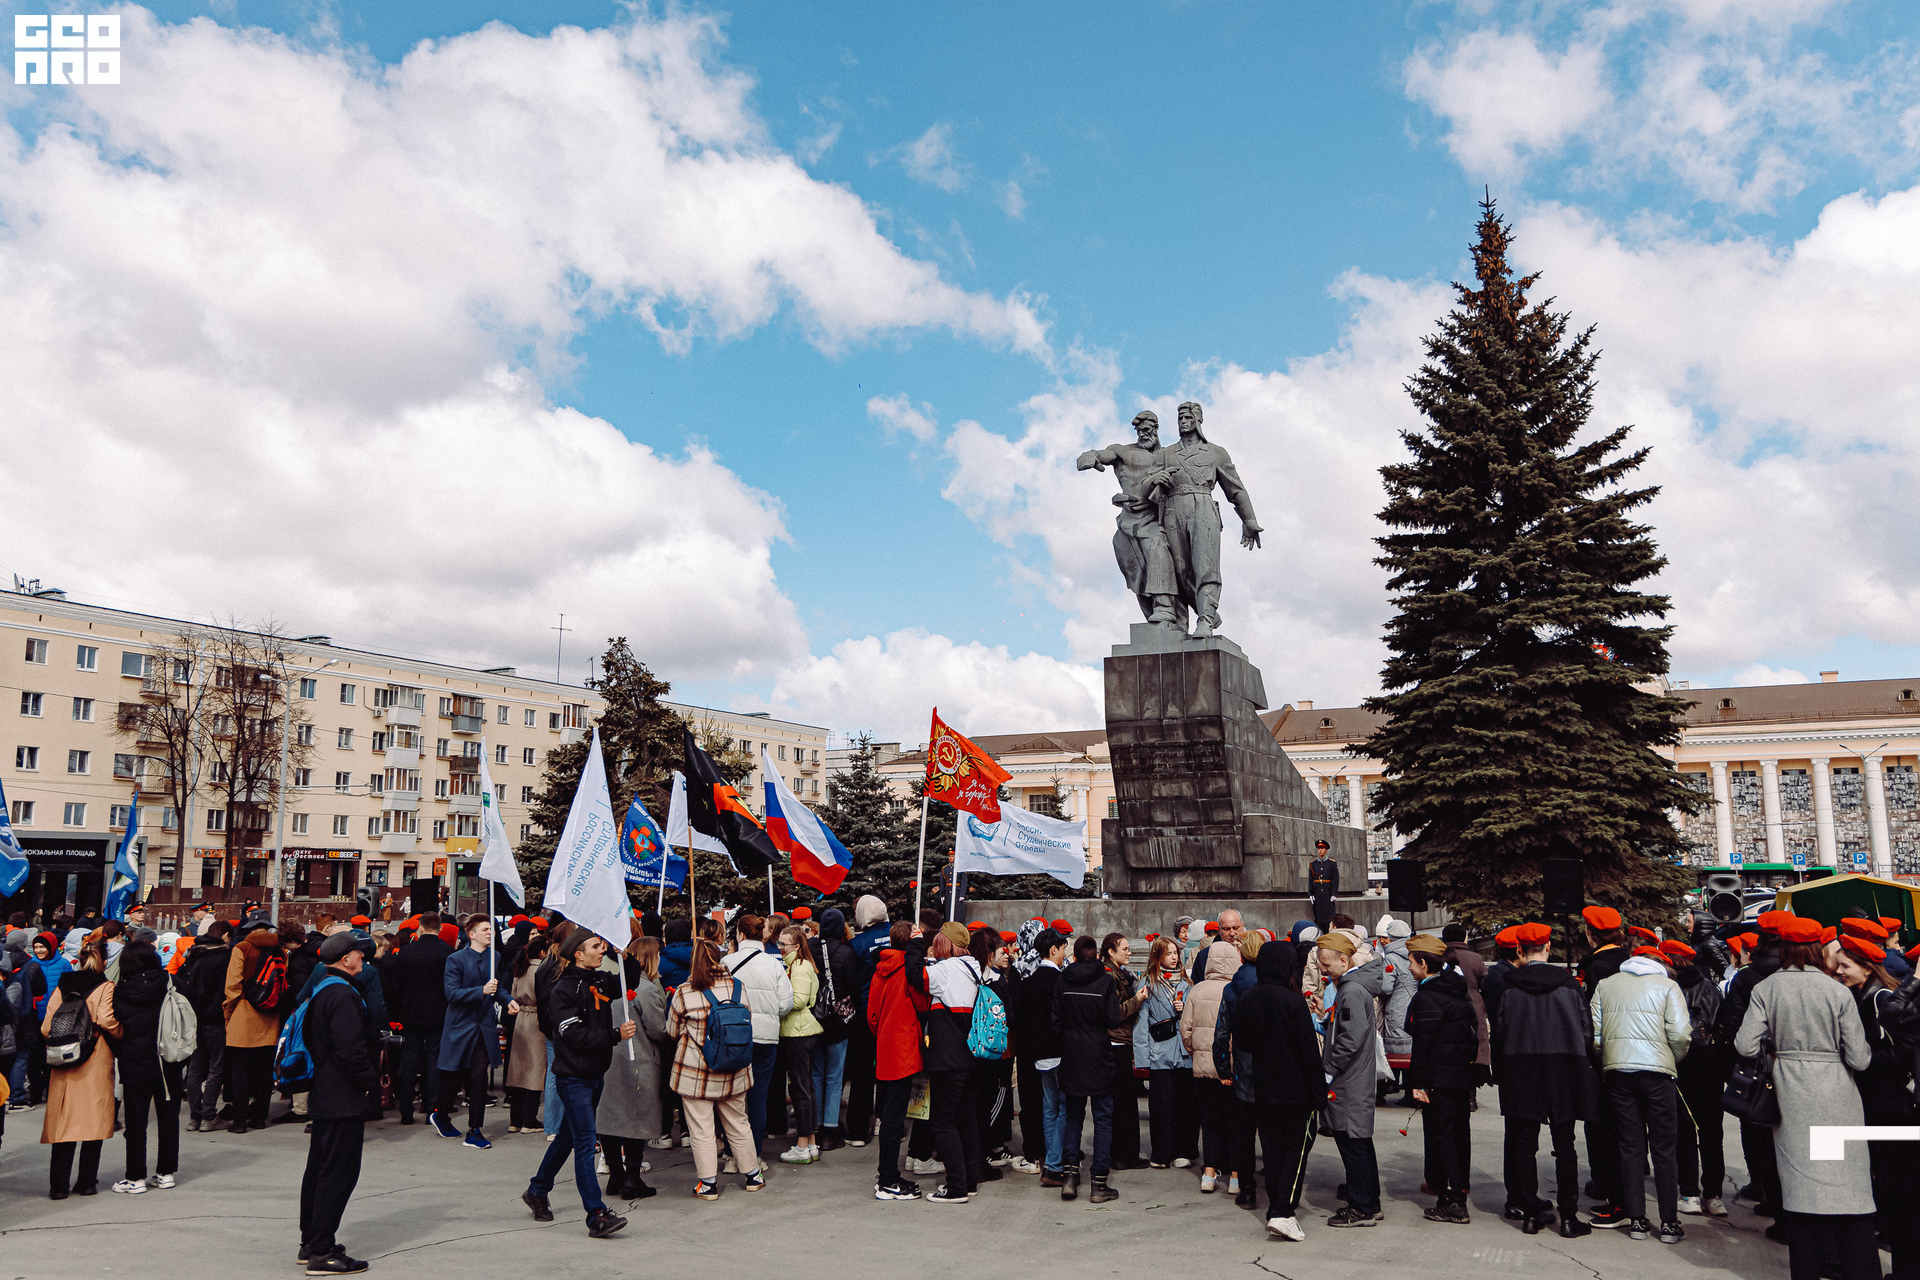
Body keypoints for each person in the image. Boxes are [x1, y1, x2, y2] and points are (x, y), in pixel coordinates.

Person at [1736, 916, 1875, 1280]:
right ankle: (1854, 1267)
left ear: (1783, 947)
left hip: (1791, 1095)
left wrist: (1777, 1048)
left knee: (1800, 1189)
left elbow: (1744, 1045)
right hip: (1837, 1094)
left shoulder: (1767, 988)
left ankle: (1809, 1269)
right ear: (1816, 949)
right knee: (1846, 1187)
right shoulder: (1837, 991)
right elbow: (1860, 1058)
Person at [523, 927, 635, 1237]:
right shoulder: (563, 989)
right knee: (586, 1142)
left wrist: (624, 956)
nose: (602, 950)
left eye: (602, 946)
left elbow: (628, 982)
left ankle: (537, 1190)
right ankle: (596, 1214)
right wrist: (615, 1035)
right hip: (573, 1077)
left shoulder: (597, 979)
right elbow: (571, 1034)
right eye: (596, 947)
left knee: (568, 1138)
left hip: (594, 1073)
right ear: (578, 954)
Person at [1494, 921, 1594, 1237]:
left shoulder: (1508, 986)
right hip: (1564, 1068)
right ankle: (1569, 1217)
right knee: (1565, 1144)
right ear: (1548, 947)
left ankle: (1530, 1213)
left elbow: (1500, 1031)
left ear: (1520, 949)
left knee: (1524, 1144)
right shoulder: (1570, 986)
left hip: (1521, 1068)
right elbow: (1586, 1031)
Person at [1216, 939, 1320, 1240]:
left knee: (1272, 1149)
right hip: (1295, 1088)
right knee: (1295, 1149)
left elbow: (1242, 1041)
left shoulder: (1249, 998)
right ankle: (1282, 1210)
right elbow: (1308, 1052)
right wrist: (1318, 1091)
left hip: (1262, 1084)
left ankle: (1277, 1205)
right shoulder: (1293, 1001)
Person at [1592, 942, 1691, 1243]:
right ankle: (1669, 1222)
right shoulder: (1668, 986)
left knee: (1630, 1146)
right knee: (1664, 1148)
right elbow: (1680, 1034)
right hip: (1658, 1074)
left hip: (1618, 1072)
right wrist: (1670, 1058)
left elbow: (1596, 1035)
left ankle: (1637, 1219)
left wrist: (1610, 1058)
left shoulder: (1606, 985)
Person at [1833, 930, 1916, 1280]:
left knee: (1901, 1190)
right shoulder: (1861, 995)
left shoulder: (1880, 997)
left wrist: (1859, 1059)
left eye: (1845, 966)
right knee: (1891, 1188)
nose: (1839, 972)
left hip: (1895, 1110)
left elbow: (1901, 1054)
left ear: (1867, 968)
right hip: (1880, 1107)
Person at [298, 932, 379, 1275]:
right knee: (338, 1173)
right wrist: (369, 1083)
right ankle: (321, 1252)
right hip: (342, 1097)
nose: (363, 958)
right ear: (346, 959)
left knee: (319, 1170)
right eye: (359, 954)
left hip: (324, 1093)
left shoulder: (322, 989)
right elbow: (351, 1050)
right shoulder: (343, 995)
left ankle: (310, 1242)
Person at [665, 938, 761, 1203]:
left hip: (696, 1073)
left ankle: (708, 1184)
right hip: (734, 1069)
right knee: (739, 1123)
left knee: (702, 1129)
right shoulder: (738, 987)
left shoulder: (684, 991)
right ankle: (753, 1176)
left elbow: (672, 1031)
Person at [1717, 910, 1789, 1236]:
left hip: (1758, 1070)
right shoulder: (1806, 975)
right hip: (1800, 1073)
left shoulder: (1747, 977)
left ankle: (1766, 1191)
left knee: (1757, 1131)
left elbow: (1734, 1027)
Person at [1402, 934, 1478, 1224]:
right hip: (1459, 1075)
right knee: (1459, 1134)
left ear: (1424, 964)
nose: (1409, 967)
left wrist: (1417, 1083)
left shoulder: (1427, 997)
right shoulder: (1458, 990)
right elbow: (1472, 1035)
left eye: (1411, 961)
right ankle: (1458, 1187)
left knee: (1441, 1136)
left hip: (1438, 1077)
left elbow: (1422, 1045)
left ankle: (1452, 1201)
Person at [1317, 930, 1387, 1227]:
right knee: (1358, 1142)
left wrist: (1329, 1068)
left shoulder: (1352, 991)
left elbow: (1350, 1039)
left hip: (1349, 1081)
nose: (1322, 970)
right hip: (1353, 1079)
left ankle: (1362, 1207)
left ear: (1344, 961)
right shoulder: (1351, 988)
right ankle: (1369, 1202)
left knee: (1353, 1143)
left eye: (1326, 964)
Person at [41, 937, 120, 1198]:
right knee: (93, 1122)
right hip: (95, 1058)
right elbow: (105, 1019)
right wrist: (121, 1032)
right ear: (104, 961)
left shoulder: (63, 984)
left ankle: (58, 1187)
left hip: (63, 1060)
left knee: (63, 1123)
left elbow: (46, 1026)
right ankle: (86, 1182)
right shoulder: (105, 986)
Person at [107, 939, 183, 1194]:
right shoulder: (171, 982)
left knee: (136, 1122)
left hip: (134, 1062)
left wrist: (122, 1052)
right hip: (168, 1060)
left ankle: (135, 1177)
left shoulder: (121, 990)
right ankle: (166, 1173)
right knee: (168, 1118)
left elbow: (113, 1027)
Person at [595, 934, 665, 1201]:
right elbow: (658, 1030)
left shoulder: (608, 985)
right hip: (640, 1060)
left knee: (610, 1118)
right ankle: (632, 1178)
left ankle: (615, 1175)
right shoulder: (645, 989)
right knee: (637, 1119)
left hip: (608, 1058)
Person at [1666, 939, 1730, 1218]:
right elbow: (1724, 1027)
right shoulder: (1711, 989)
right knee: (1712, 1133)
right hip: (1710, 1068)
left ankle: (1689, 1192)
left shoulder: (1669, 988)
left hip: (1680, 1066)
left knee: (1684, 1132)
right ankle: (1713, 1195)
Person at [724, 913, 793, 1167]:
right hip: (766, 1036)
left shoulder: (726, 962)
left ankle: (732, 1155)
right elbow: (786, 1003)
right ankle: (754, 1157)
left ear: (741, 935)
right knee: (758, 1097)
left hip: (734, 1036)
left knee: (732, 1098)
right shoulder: (774, 964)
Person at [868, 920, 931, 1200]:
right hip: (905, 1050)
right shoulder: (909, 969)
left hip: (885, 1047)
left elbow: (872, 1015)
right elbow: (922, 1003)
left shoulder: (880, 969)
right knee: (895, 1120)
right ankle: (888, 1180)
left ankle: (888, 1176)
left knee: (889, 1117)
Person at [923, 921, 985, 1203]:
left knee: (943, 1123)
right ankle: (969, 1181)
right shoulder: (973, 968)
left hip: (948, 1060)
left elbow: (915, 975)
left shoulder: (945, 969)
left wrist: (915, 944)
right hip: (971, 1057)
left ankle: (957, 1187)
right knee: (967, 1119)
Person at [435, 915, 510, 1147]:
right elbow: (451, 993)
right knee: (453, 1076)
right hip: (460, 1026)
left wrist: (508, 1000)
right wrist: (481, 991)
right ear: (471, 934)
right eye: (485, 929)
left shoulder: (494, 956)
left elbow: (497, 987)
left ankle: (474, 1130)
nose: (490, 933)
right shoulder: (455, 959)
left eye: (491, 929)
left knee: (479, 1078)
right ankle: (441, 1114)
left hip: (483, 1027)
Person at [1576, 904, 1631, 1221]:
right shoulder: (1629, 961)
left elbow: (1588, 1014)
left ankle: (1608, 1187)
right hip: (1631, 1052)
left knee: (1600, 1127)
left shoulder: (1593, 966)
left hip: (1602, 1055)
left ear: (1591, 934)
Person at [1180, 941, 1239, 1194]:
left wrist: (1196, 1052)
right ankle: (1235, 1176)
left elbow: (1185, 1029)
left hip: (1203, 1066)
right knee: (1235, 1121)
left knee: (1210, 1120)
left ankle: (1209, 1173)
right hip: (1231, 1067)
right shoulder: (1236, 989)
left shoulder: (1197, 989)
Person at [1135, 935, 1197, 1170]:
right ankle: (1161, 1152)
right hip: (1159, 1052)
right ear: (1157, 956)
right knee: (1160, 1106)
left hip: (1185, 1052)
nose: (1174, 957)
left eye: (1176, 953)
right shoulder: (1147, 983)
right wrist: (1142, 1057)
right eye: (1168, 953)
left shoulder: (1188, 983)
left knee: (1185, 1105)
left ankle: (1183, 1150)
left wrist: (1185, 1009)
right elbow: (1141, 1023)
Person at [222, 919, 286, 1133]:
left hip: (243, 1014)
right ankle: (259, 1118)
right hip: (270, 1016)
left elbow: (233, 985)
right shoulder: (279, 949)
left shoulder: (241, 948)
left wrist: (228, 1013)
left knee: (240, 1071)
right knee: (264, 1070)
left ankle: (240, 1121)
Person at [391, 911, 452, 1127]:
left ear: (420, 927)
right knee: (434, 1062)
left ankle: (406, 1111)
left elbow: (396, 986)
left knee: (410, 1061)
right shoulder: (448, 952)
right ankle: (431, 1109)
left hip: (411, 1014)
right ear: (440, 928)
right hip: (438, 1014)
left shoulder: (406, 953)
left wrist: (397, 1014)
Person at [809, 908, 859, 1152]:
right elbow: (853, 985)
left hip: (813, 1019)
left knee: (816, 1074)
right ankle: (831, 1128)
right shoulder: (846, 952)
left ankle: (817, 1126)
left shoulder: (809, 948)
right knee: (834, 1076)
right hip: (838, 1022)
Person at [1098, 931, 1148, 1170]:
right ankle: (1124, 1155)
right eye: (1125, 949)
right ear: (1111, 952)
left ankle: (1120, 1153)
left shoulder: (1116, 973)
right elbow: (1115, 1013)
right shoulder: (1110, 976)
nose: (1129, 952)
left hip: (1116, 1043)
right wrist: (1138, 1000)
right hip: (1117, 1043)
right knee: (1124, 1104)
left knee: (1120, 1103)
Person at [843, 895, 890, 1147]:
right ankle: (887, 1122)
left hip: (864, 1012)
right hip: (894, 1012)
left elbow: (852, 980)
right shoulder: (898, 935)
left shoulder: (857, 944)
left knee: (862, 1072)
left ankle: (858, 1131)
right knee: (890, 1070)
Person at [776, 923, 823, 1165]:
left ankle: (803, 1144)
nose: (780, 947)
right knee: (805, 1088)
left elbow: (798, 1001)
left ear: (796, 946)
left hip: (799, 1033)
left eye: (783, 944)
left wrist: (774, 1002)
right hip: (800, 1031)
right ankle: (810, 1143)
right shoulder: (798, 965)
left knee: (800, 1089)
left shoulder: (799, 966)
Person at [505, 933, 549, 1133]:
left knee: (518, 1072)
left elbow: (513, 993)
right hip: (537, 1020)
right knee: (535, 1072)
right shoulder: (542, 970)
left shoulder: (520, 968)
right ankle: (529, 1120)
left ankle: (515, 1120)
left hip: (520, 1019)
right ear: (543, 952)